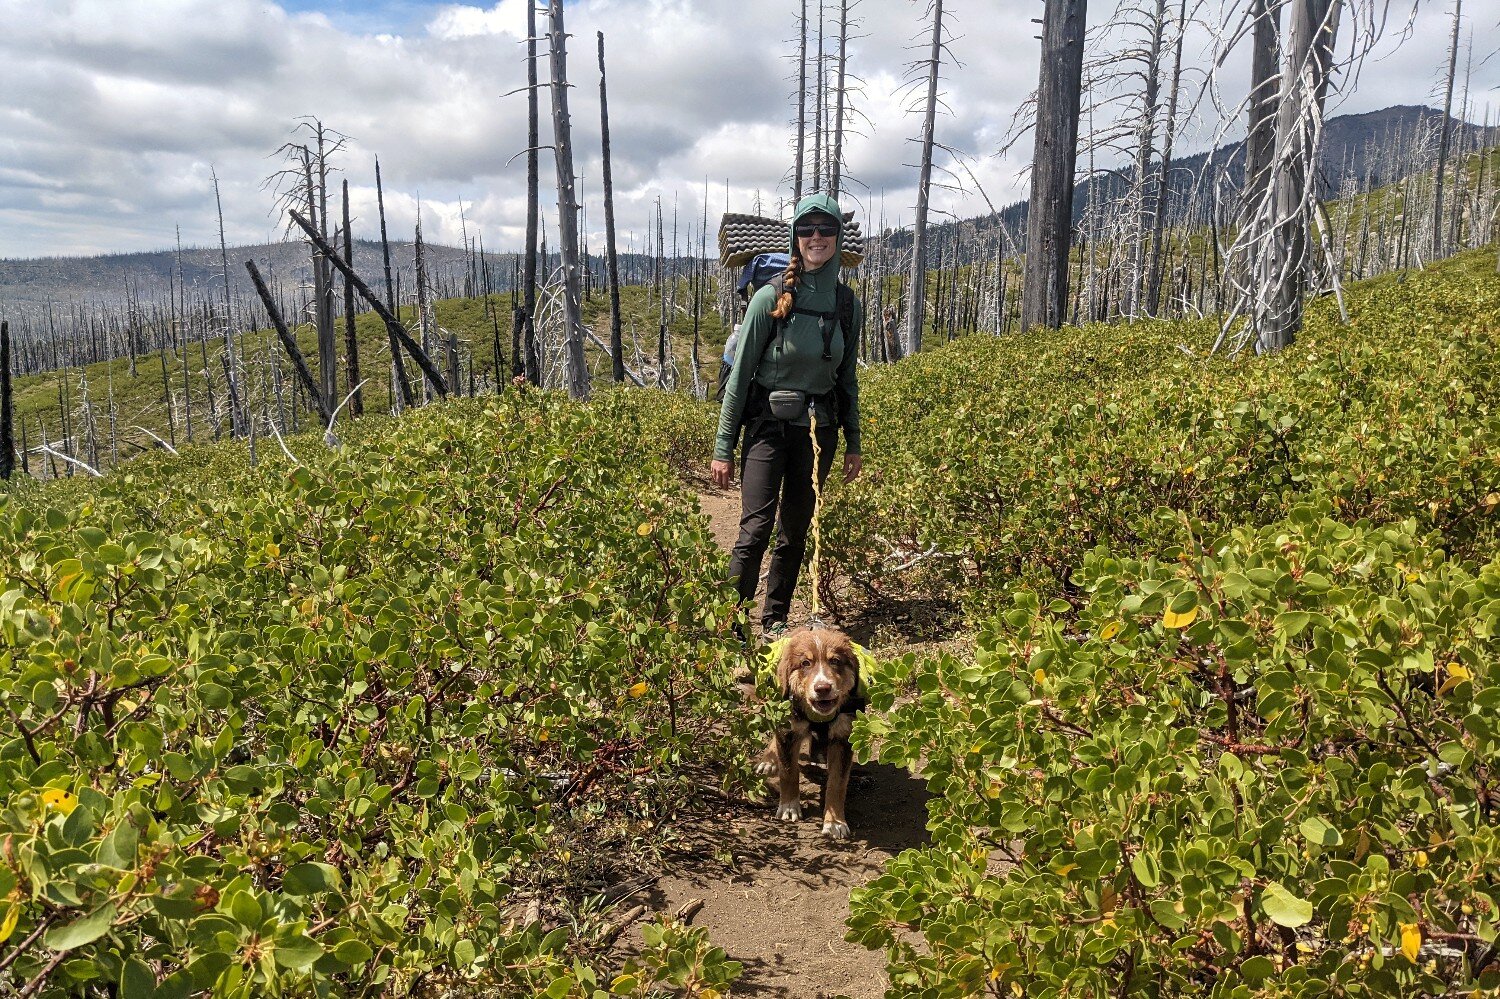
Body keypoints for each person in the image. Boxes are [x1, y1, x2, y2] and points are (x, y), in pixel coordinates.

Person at [711, 193, 863, 639]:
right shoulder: (768, 297)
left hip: (820, 432)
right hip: (766, 430)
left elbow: (847, 377)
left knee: (795, 532)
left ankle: (774, 621)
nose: (816, 237)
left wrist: (854, 441)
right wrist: (724, 448)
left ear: (837, 236)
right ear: (796, 237)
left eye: (826, 229)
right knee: (755, 529)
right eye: (807, 229)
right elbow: (739, 380)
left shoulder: (847, 304)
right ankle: (731, 625)